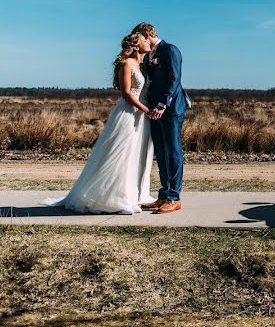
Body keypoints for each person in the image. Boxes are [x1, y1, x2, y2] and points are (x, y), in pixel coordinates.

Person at [44, 33, 155, 214]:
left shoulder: (142, 66)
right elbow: (127, 93)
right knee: (121, 154)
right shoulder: (127, 65)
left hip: (140, 116)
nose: (147, 41)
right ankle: (115, 198)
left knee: (136, 155)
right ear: (135, 46)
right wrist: (146, 109)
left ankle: (132, 194)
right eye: (143, 40)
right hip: (128, 114)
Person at [132, 22, 191, 214]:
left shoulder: (170, 50)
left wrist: (162, 104)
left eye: (138, 38)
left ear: (146, 35)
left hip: (171, 108)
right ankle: (164, 195)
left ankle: (174, 197)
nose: (137, 42)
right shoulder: (148, 55)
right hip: (153, 111)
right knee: (161, 152)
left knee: (173, 151)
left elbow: (174, 79)